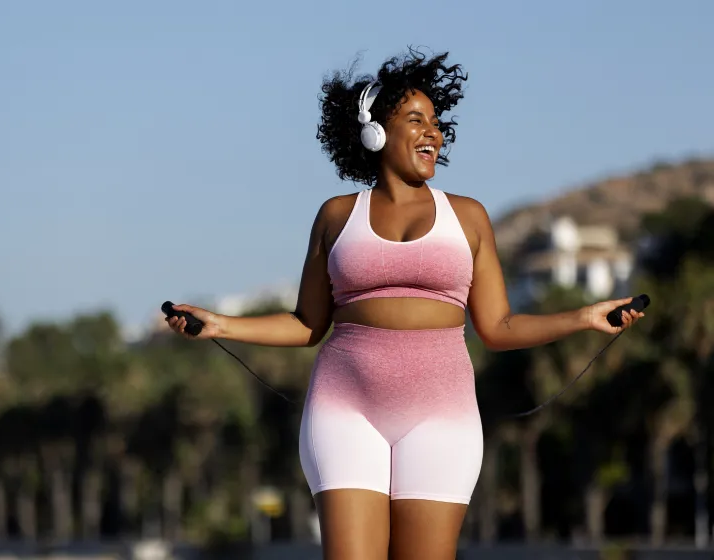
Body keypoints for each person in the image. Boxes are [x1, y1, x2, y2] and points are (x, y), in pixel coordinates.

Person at [166, 48, 645, 560]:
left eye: (437, 123)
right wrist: (220, 324)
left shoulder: (468, 217)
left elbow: (498, 327)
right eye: (416, 120)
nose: (432, 134)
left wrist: (585, 318)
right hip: (343, 408)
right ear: (374, 132)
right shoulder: (335, 216)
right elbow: (307, 323)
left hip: (441, 414)